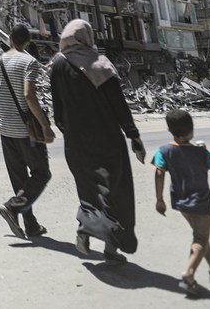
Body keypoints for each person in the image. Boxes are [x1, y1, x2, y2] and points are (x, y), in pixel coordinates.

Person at [49, 19, 145, 263]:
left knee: (88, 188)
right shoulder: (99, 63)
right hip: (107, 138)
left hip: (76, 139)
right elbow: (118, 105)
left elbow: (57, 108)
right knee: (115, 191)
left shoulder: (58, 63)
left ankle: (86, 227)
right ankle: (112, 249)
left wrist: (68, 131)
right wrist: (133, 136)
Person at [0, 25, 56, 239]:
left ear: (10, 38)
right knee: (41, 173)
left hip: (6, 131)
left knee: (20, 180)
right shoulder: (29, 62)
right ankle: (12, 208)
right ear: (28, 42)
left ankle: (31, 225)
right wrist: (46, 126)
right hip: (27, 132)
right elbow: (29, 95)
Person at [153, 109, 210, 294]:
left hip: (181, 203)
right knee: (201, 239)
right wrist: (206, 152)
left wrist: (159, 200)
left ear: (169, 130)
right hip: (201, 203)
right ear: (192, 131)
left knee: (200, 237)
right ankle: (188, 273)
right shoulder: (201, 153)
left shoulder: (163, 151)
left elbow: (158, 173)